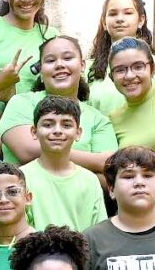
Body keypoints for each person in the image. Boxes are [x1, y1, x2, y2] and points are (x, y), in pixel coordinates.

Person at [0, 34, 120, 175]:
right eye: (50, 60)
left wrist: (43, 161)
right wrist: (95, 161)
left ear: (82, 66)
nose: (60, 65)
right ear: (41, 73)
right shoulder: (21, 102)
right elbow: (27, 150)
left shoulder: (98, 120)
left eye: (68, 58)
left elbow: (109, 171)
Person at [18, 95, 107, 230]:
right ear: (34, 131)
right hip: (36, 250)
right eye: (48, 125)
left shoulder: (90, 180)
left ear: (78, 133)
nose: (57, 131)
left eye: (66, 125)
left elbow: (98, 232)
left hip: (81, 250)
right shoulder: (22, 177)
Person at [98, 37, 155, 156]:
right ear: (112, 77)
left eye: (138, 67)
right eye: (120, 70)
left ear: (153, 69)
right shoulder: (113, 119)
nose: (130, 76)